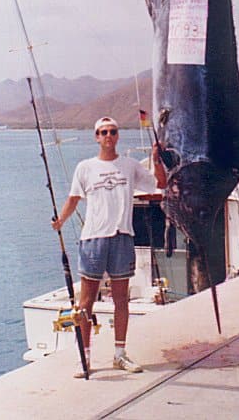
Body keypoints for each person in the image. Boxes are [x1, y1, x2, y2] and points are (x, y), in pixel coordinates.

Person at [52, 116, 167, 378]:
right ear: (96, 137)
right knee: (85, 303)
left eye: (112, 131)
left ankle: (119, 355)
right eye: (103, 132)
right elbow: (73, 198)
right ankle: (87, 359)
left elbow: (159, 184)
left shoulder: (130, 166)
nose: (108, 136)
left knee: (121, 301)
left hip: (122, 237)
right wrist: (60, 220)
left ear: (117, 136)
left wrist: (157, 158)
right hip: (93, 239)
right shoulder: (85, 167)